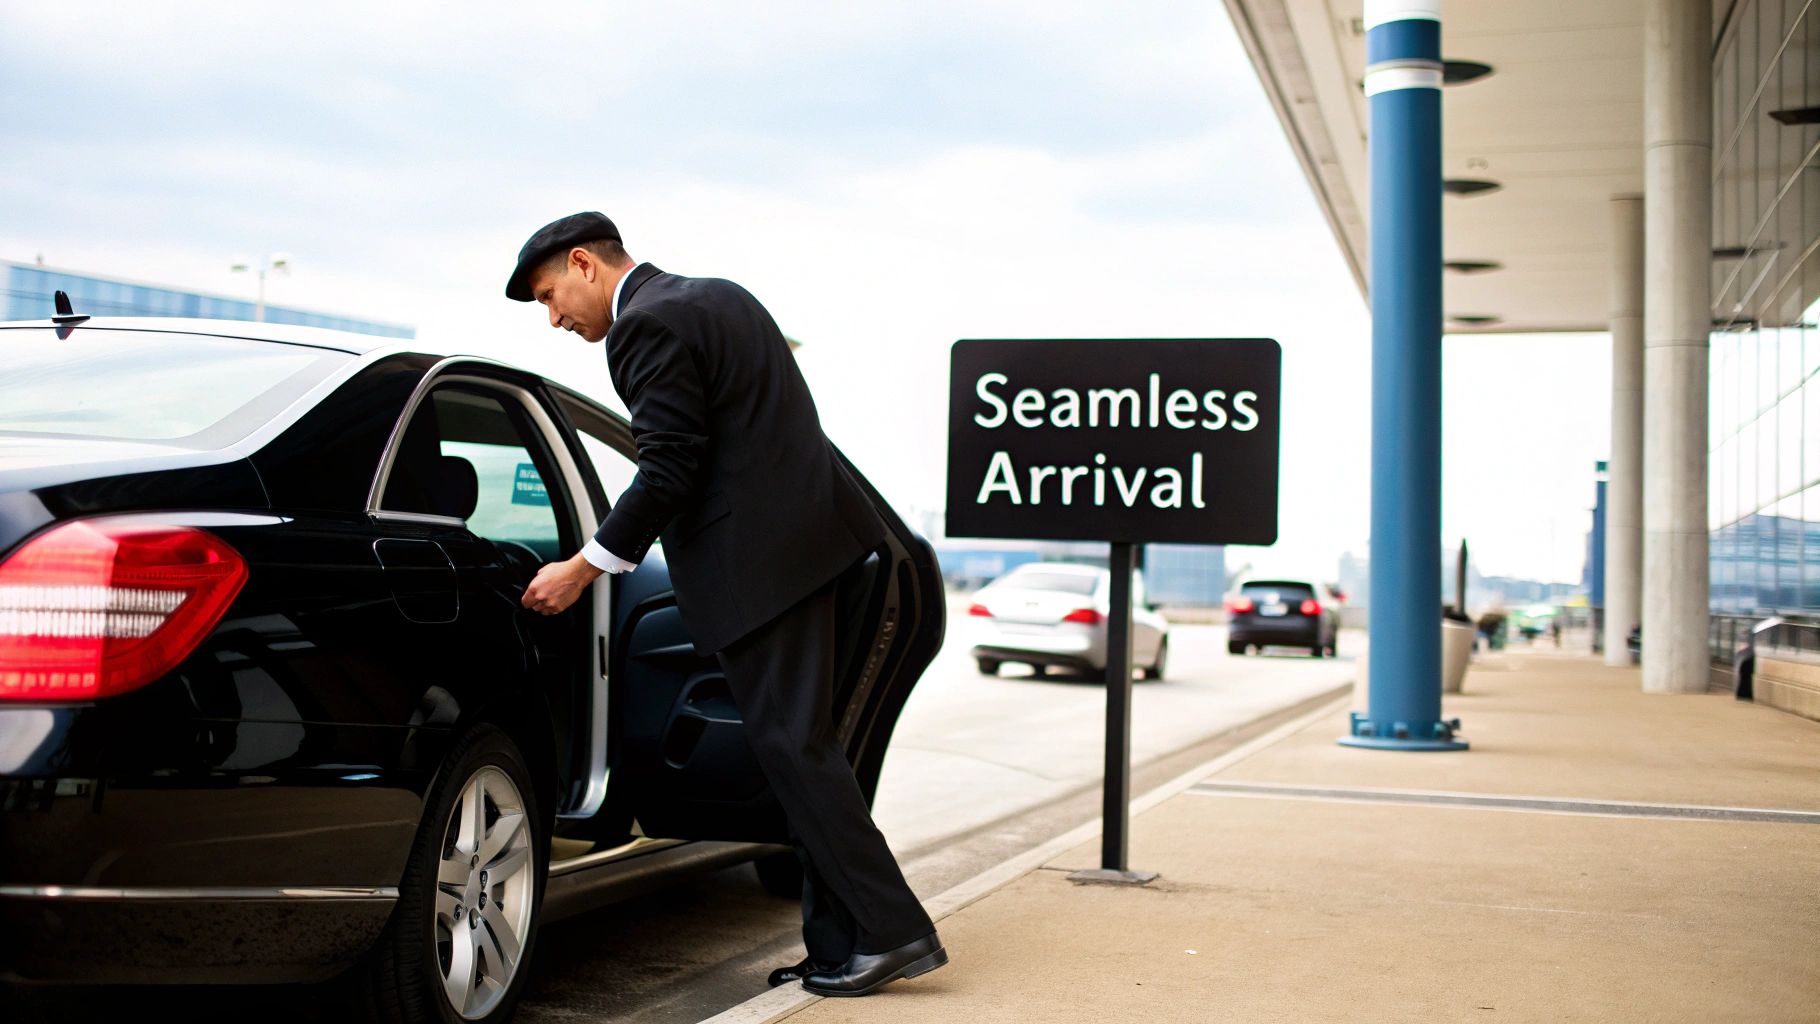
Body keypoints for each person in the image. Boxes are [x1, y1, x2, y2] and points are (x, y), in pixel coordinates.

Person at [505, 212, 945, 997]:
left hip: (765, 576)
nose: (556, 317)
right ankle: (838, 945)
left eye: (550, 295)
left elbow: (669, 467)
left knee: (797, 755)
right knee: (805, 757)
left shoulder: (642, 327)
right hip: (818, 557)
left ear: (585, 263)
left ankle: (894, 930)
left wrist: (584, 565)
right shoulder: (719, 298)